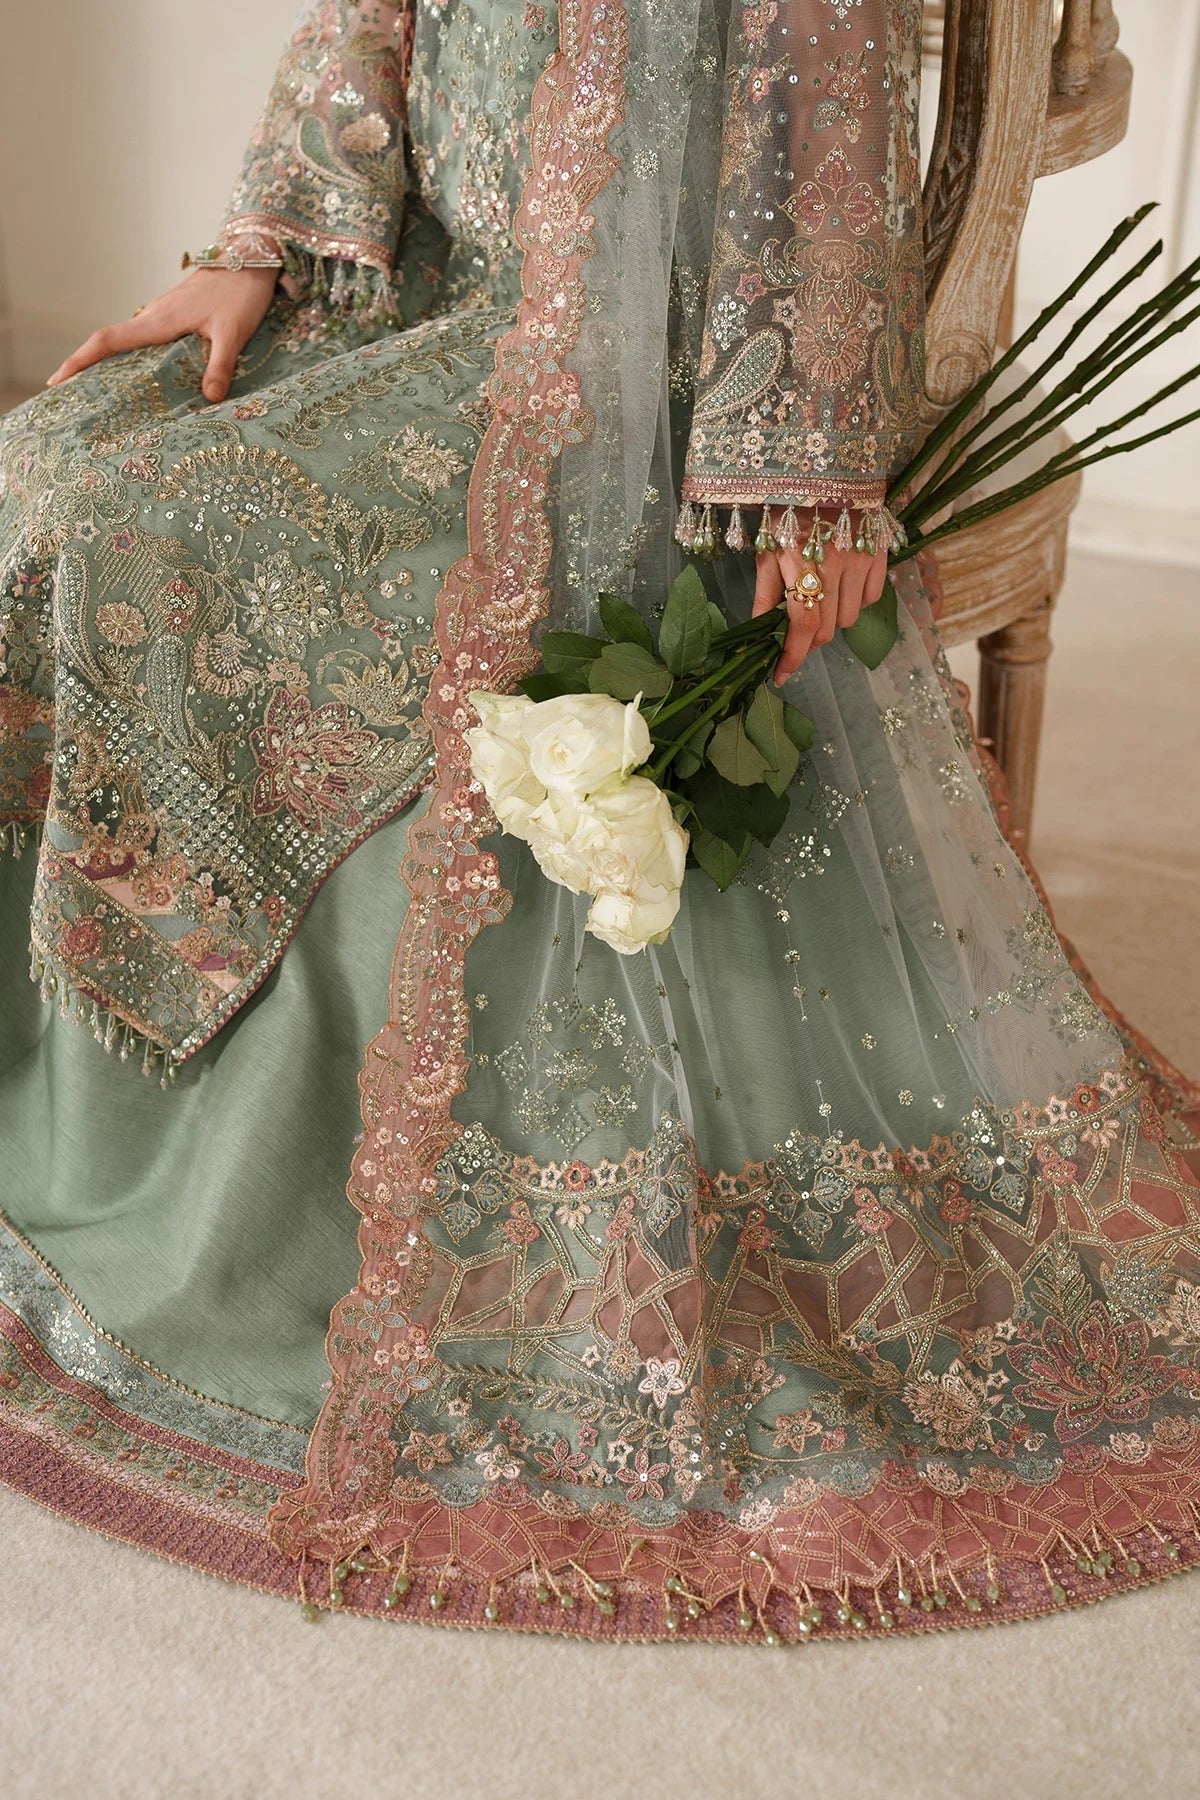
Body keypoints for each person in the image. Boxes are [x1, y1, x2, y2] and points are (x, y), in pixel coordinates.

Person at [2, 0, 1198, 1643]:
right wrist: (262, 244)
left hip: (643, 370)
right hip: (422, 291)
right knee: (54, 461)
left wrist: (803, 462)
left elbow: (828, 92)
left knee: (173, 528)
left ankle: (177, 1166)